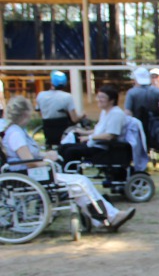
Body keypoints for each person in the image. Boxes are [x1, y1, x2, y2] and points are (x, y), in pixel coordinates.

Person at [2, 96, 135, 231]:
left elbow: (29, 157)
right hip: (32, 175)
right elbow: (29, 162)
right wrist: (48, 162)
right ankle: (109, 217)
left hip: (33, 174)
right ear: (25, 113)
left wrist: (46, 155)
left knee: (80, 182)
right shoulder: (16, 134)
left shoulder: (16, 131)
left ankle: (107, 217)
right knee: (79, 183)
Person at [58, 85, 127, 165]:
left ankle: (71, 174)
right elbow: (100, 130)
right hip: (95, 143)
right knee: (64, 147)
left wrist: (89, 137)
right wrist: (84, 132)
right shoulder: (105, 112)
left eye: (102, 97)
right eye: (98, 97)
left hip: (103, 148)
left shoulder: (116, 114)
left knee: (70, 151)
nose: (98, 100)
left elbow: (110, 135)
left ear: (112, 100)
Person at [124, 67, 159, 147]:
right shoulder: (156, 91)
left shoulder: (132, 93)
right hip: (155, 127)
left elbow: (128, 112)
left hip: (138, 127)